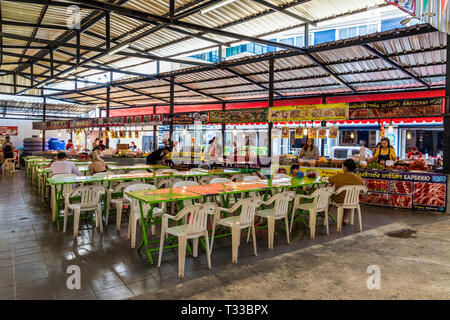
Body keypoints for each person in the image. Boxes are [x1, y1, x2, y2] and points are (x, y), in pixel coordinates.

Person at [328, 159, 365, 224]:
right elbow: (363, 188)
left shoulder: (338, 176)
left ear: (345, 168)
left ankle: (325, 213)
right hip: (353, 201)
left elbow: (329, 180)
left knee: (329, 195)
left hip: (338, 200)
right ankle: (344, 219)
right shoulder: (359, 178)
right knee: (349, 198)